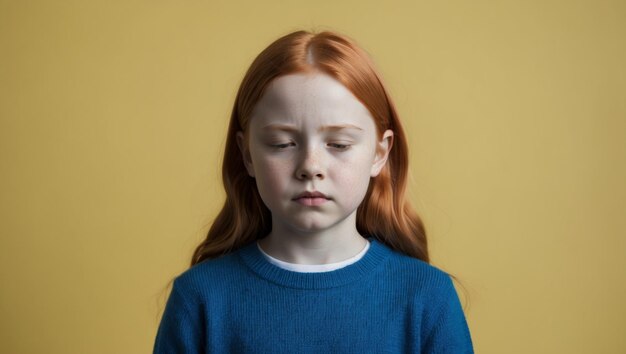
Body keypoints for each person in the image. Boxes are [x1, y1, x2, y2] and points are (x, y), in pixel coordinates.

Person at [153, 29, 474, 353]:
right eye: (282, 144)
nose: (311, 166)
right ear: (247, 154)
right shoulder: (199, 298)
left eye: (339, 144)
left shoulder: (427, 297)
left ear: (380, 153)